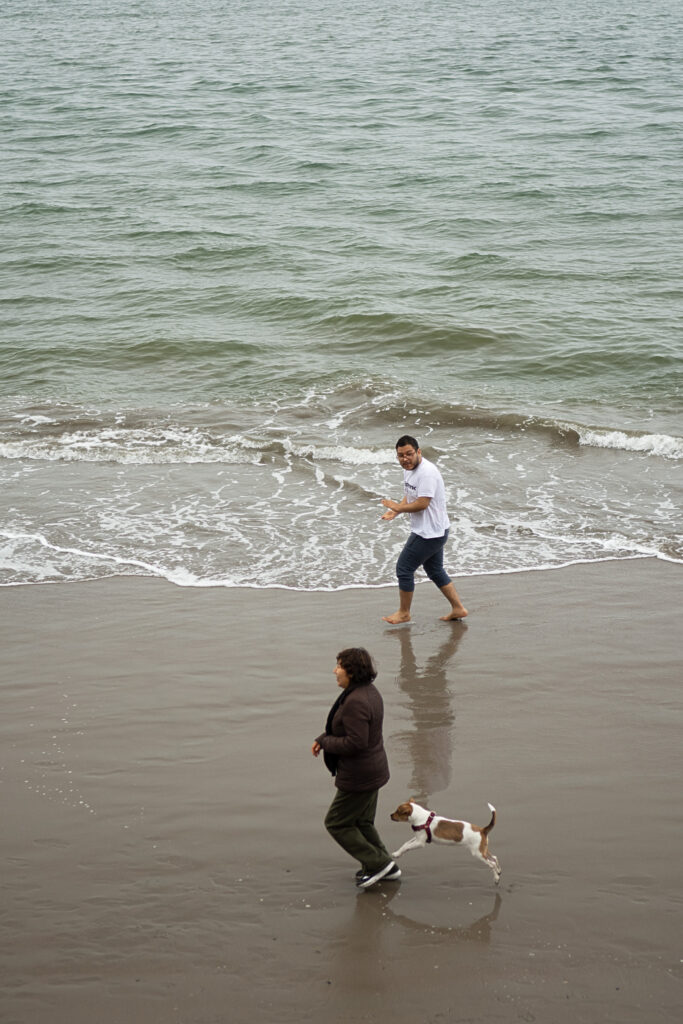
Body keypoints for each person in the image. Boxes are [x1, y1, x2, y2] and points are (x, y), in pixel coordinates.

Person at [312, 647, 399, 889]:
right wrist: (323, 738)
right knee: (362, 822)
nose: (334, 671)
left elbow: (356, 742)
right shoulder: (368, 692)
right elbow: (346, 729)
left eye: (338, 666)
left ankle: (379, 863)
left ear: (351, 671)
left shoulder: (356, 701)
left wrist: (326, 742)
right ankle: (385, 866)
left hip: (360, 775)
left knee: (336, 823)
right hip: (374, 769)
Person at [380, 434, 468, 624]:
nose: (405, 459)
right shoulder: (409, 469)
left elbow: (422, 503)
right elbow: (410, 495)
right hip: (435, 530)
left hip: (430, 533)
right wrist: (395, 512)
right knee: (435, 570)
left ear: (418, 452)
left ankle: (404, 612)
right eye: (401, 455)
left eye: (409, 454)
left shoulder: (427, 472)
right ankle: (458, 608)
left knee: (404, 568)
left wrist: (398, 507)